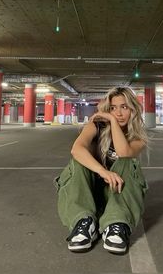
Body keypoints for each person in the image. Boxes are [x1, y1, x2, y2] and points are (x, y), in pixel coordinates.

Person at [55, 87, 148, 254]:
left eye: (124, 107)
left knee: (126, 162)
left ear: (133, 109)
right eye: (113, 108)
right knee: (79, 161)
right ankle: (83, 221)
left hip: (117, 192)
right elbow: (76, 149)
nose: (118, 113)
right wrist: (102, 171)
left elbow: (123, 153)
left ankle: (116, 223)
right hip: (88, 191)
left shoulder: (138, 139)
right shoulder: (95, 126)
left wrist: (112, 122)